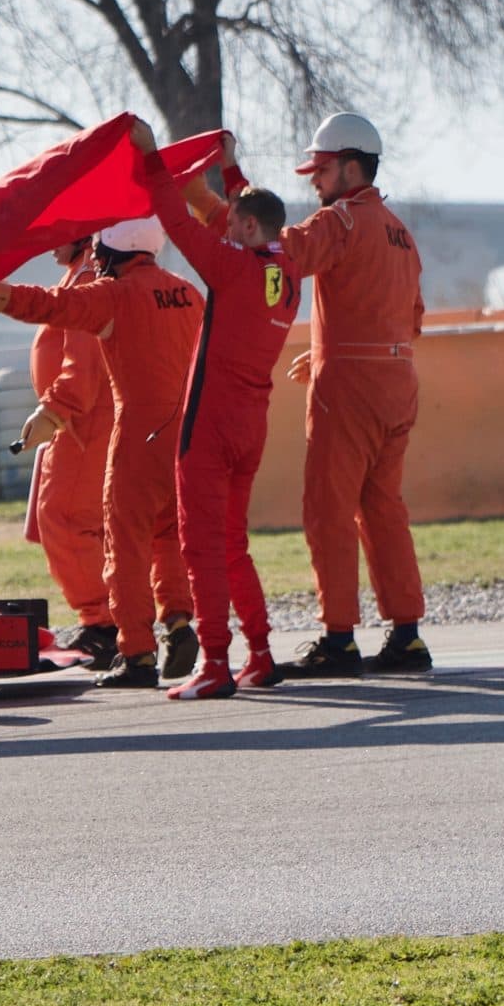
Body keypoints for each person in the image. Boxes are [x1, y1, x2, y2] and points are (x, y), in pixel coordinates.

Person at [0, 214, 200, 689]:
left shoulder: (111, 292)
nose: (93, 254)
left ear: (110, 244)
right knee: (167, 533)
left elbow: (37, 306)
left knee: (123, 544)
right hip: (183, 430)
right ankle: (178, 623)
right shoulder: (187, 292)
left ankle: (131, 650)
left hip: (131, 430)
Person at [272, 112, 431, 678]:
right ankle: (406, 636)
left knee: (328, 511)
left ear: (350, 165)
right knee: (384, 508)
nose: (314, 181)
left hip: (350, 391)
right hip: (399, 384)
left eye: (321, 169)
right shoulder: (400, 233)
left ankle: (338, 639)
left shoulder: (341, 220)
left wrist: (238, 219)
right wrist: (324, 355)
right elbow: (409, 321)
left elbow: (286, 252)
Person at [146, 132, 302, 699]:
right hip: (251, 424)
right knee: (233, 544)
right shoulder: (287, 273)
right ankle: (259, 654)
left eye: (233, 221)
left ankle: (213, 662)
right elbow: (247, 212)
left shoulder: (232, 268)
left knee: (201, 547)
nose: (225, 224)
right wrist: (232, 170)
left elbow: (178, 223)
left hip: (209, 428)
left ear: (248, 229)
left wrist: (150, 164)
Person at [11, 235, 119, 670]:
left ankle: (105, 624)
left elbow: (84, 364)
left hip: (83, 421)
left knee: (65, 519)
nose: (46, 244)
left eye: (56, 231)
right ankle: (115, 619)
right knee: (88, 522)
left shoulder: (89, 280)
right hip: (78, 420)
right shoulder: (79, 275)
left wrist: (54, 412)